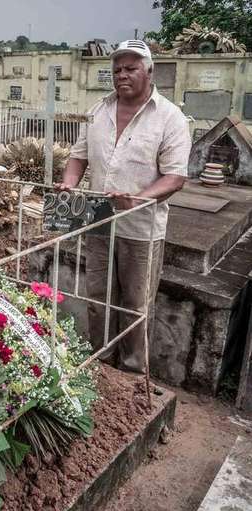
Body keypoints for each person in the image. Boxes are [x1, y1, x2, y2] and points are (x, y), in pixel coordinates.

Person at [56, 40, 191, 373]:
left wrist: (138, 199)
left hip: (141, 226)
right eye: (116, 70)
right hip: (99, 218)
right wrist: (69, 185)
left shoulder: (170, 117)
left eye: (130, 68)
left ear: (149, 71)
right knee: (97, 297)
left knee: (135, 304)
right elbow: (78, 156)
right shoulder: (98, 110)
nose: (122, 75)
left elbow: (175, 177)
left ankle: (131, 371)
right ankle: (100, 361)